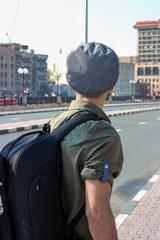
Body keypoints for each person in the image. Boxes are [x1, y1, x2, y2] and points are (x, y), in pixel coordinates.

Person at [50, 42, 123, 240]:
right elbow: (96, 212)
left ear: (71, 81)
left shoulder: (54, 124)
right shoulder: (103, 135)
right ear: (111, 87)